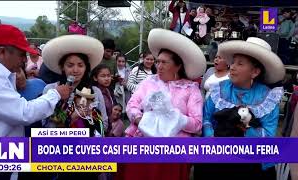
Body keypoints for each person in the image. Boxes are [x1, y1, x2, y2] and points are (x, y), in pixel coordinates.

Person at [0, 24, 71, 180]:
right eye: (21, 55)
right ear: (2, 52)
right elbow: (23, 113)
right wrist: (55, 94)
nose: (23, 60)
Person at [115, 28, 206, 180]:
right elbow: (132, 105)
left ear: (178, 66)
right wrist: (140, 119)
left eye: (164, 62)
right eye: (158, 62)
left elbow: (197, 124)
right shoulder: (149, 82)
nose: (159, 66)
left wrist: (175, 119)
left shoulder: (190, 89)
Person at [195, 37, 285, 179]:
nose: (232, 67)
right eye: (233, 62)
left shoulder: (268, 98)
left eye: (240, 64)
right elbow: (207, 118)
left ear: (255, 72)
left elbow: (268, 135)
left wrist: (245, 128)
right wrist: (212, 137)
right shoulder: (219, 89)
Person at [41, 35, 108, 136]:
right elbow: (45, 126)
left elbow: (105, 124)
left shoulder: (95, 92)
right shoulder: (51, 89)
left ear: (86, 68)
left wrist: (92, 118)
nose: (75, 70)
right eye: (70, 65)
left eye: (80, 65)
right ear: (62, 67)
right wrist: (72, 118)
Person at [90, 64, 116, 135]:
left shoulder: (108, 90)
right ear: (95, 78)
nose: (107, 78)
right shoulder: (93, 92)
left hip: (109, 129)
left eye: (108, 75)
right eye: (103, 76)